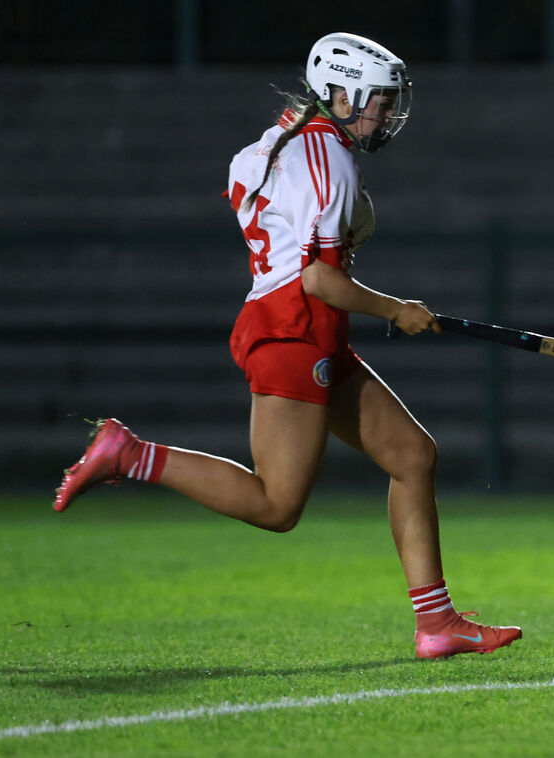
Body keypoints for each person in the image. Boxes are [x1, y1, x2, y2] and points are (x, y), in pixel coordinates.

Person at [53, 32, 521, 661]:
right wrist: (397, 310)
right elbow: (318, 279)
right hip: (297, 328)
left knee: (411, 455)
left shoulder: (277, 143)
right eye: (379, 101)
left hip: (301, 327)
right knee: (277, 505)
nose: (387, 114)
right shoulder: (329, 159)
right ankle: (131, 454)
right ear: (339, 94)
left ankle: (438, 624)